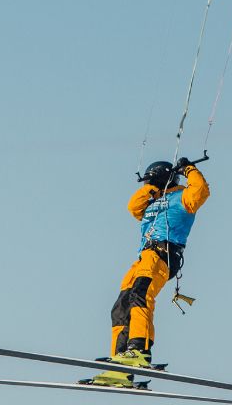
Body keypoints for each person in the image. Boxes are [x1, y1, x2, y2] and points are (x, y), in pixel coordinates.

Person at [88, 157, 210, 387]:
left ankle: (139, 350)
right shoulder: (152, 199)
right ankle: (119, 365)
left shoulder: (183, 197)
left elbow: (201, 191)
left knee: (140, 297)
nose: (146, 186)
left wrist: (189, 170)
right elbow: (133, 207)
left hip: (162, 254)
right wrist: (153, 189)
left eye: (151, 182)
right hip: (143, 258)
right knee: (121, 307)